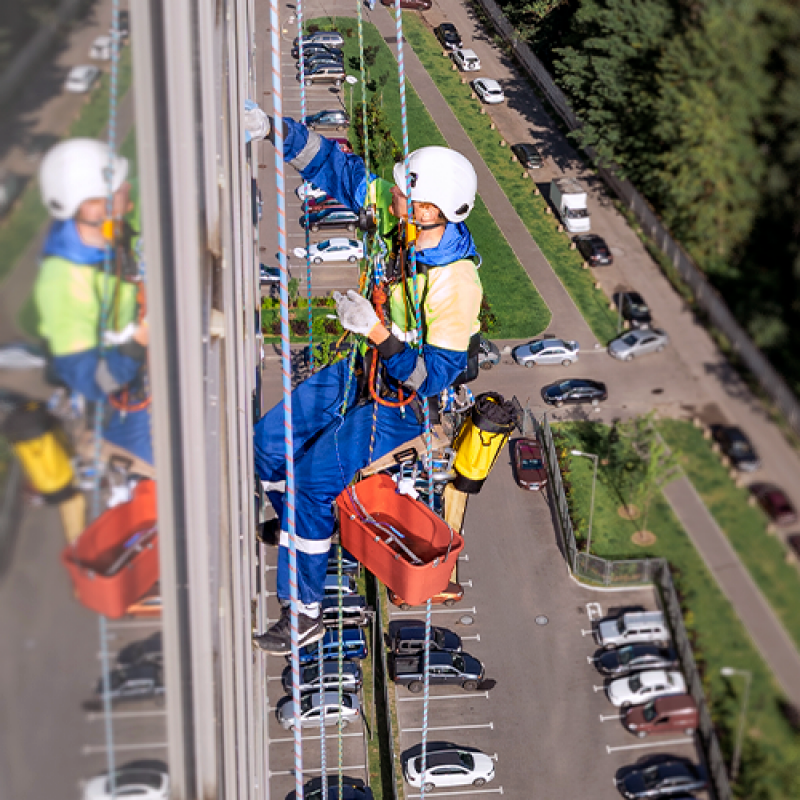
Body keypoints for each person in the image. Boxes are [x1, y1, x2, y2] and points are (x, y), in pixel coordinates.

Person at [253, 115, 482, 653]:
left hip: (402, 400)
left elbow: (431, 379)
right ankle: (296, 525)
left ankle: (304, 609)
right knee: (267, 443)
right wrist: (270, 127)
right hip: (364, 365)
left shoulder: (456, 284)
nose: (393, 198)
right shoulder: (401, 222)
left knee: (311, 481)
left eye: (406, 195)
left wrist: (376, 330)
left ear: (430, 212)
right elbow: (340, 170)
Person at [34, 138, 153, 469]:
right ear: (92, 207)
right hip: (128, 412)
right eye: (117, 190)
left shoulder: (117, 229)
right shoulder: (64, 283)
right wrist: (141, 340)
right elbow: (91, 380)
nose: (127, 193)